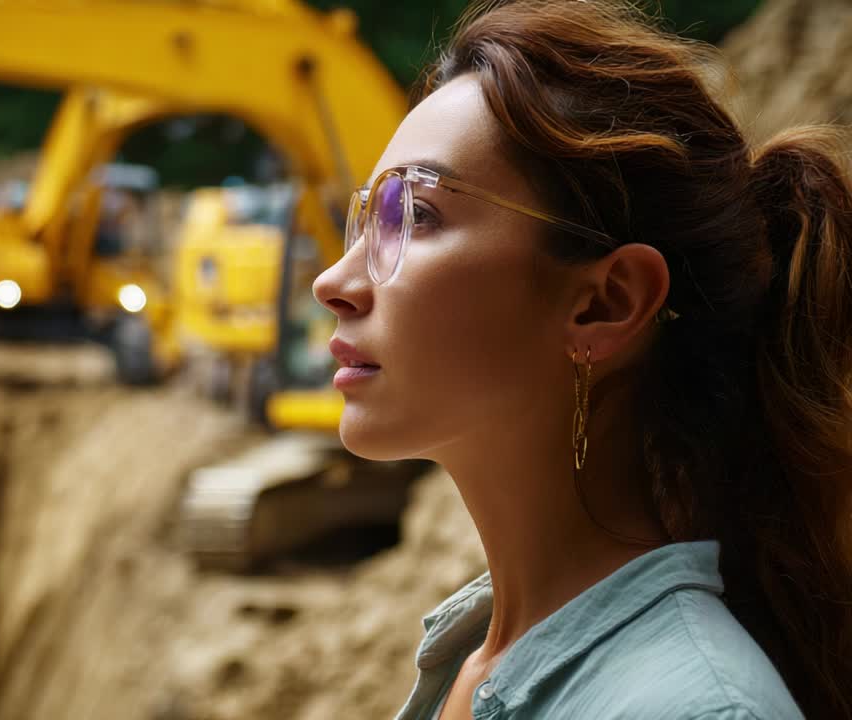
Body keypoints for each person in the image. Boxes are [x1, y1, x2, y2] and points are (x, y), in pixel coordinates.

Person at [313, 1, 852, 718]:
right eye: (365, 219)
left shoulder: (689, 709)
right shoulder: (478, 660)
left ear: (607, 303)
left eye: (413, 215)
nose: (333, 283)